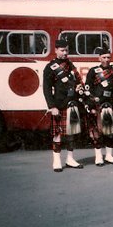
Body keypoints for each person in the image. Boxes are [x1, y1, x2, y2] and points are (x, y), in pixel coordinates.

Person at [43, 39, 86, 172]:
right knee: (58, 134)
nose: (65, 53)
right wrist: (52, 106)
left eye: (66, 50)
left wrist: (80, 86)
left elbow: (78, 81)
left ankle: (70, 159)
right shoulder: (50, 67)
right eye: (62, 50)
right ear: (55, 50)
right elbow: (46, 89)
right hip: (59, 104)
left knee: (71, 133)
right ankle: (56, 161)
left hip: (72, 103)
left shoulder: (70, 65)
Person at [85, 47, 113, 166]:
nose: (106, 60)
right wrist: (91, 105)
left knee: (110, 131)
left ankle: (109, 155)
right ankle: (98, 156)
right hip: (97, 103)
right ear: (99, 58)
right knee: (97, 132)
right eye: (104, 57)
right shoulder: (93, 71)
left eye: (108, 57)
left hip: (111, 103)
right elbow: (88, 89)